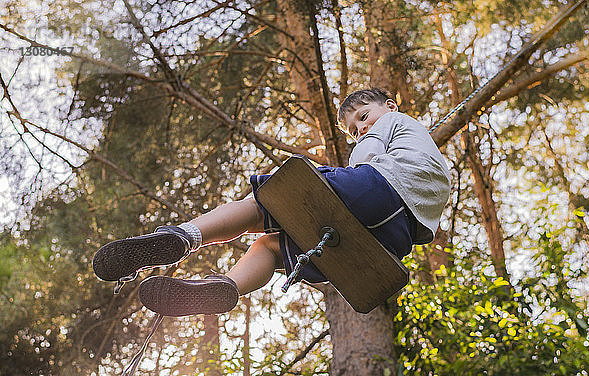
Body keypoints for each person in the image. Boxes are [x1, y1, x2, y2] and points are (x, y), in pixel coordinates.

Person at [92, 88, 451, 316]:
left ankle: (186, 236)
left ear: (388, 105)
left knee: (266, 203)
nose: (362, 128)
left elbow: (368, 158)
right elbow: (425, 230)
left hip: (377, 190)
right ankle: (227, 287)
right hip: (392, 240)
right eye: (354, 130)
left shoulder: (392, 121)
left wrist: (359, 160)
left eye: (363, 116)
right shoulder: (429, 162)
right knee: (271, 247)